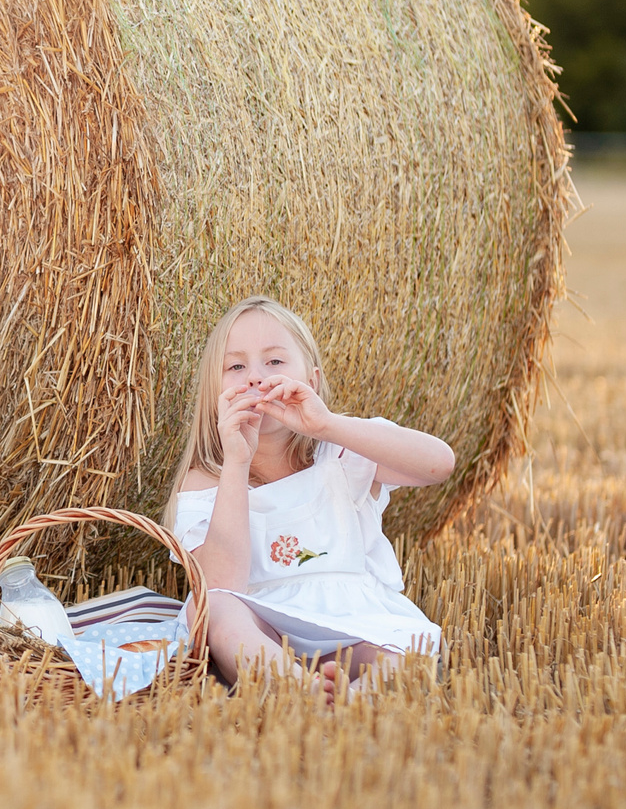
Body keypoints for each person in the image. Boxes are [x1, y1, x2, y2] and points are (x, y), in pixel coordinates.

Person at [164, 296, 454, 703]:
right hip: (266, 636)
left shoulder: (342, 455)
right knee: (212, 610)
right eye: (236, 366)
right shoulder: (207, 481)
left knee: (408, 651)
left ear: (312, 382)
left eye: (275, 362)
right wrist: (237, 461)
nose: (256, 378)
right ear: (215, 392)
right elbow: (222, 586)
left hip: (355, 624)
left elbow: (439, 465)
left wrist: (329, 425)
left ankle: (356, 700)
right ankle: (297, 690)